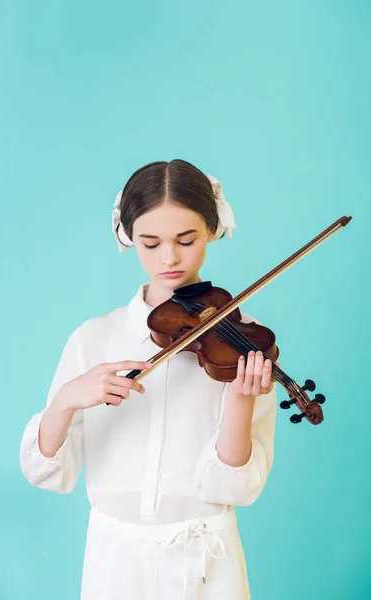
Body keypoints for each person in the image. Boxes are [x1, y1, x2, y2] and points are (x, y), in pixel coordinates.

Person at [20, 159, 277, 600]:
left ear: (213, 230)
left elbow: (233, 488)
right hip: (114, 561)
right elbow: (46, 474)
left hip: (205, 563)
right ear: (127, 238)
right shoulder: (93, 337)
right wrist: (65, 401)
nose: (170, 258)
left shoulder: (241, 342)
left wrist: (239, 400)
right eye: (150, 243)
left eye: (186, 239)